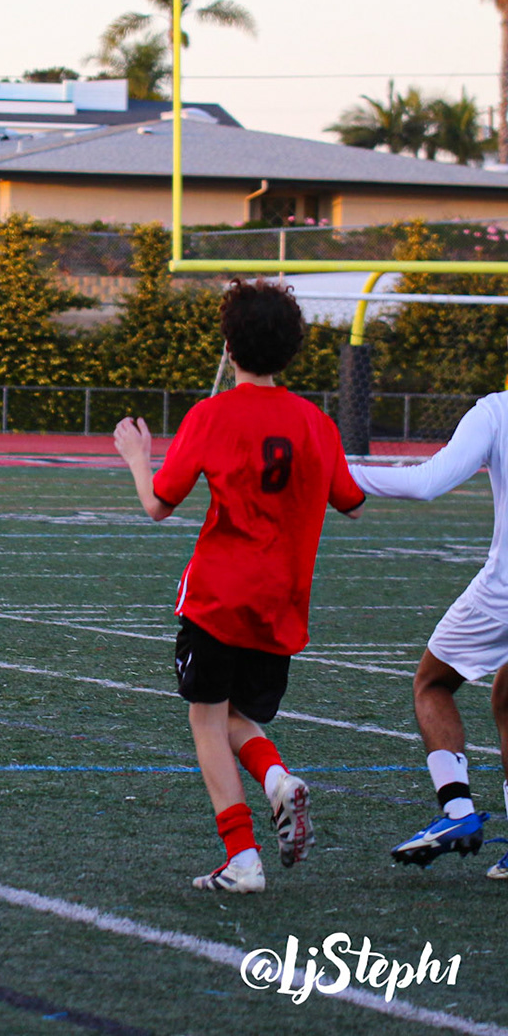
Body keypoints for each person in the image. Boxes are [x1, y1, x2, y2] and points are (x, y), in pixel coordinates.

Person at [113, 279, 364, 894]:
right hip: (282, 603)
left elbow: (159, 504)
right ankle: (274, 780)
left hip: (219, 596)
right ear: (293, 349)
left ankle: (244, 855)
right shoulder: (316, 423)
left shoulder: (212, 414)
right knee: (236, 716)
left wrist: (137, 456)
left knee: (206, 719)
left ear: (228, 346)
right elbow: (352, 502)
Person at [348, 400, 508, 878]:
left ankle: (457, 810)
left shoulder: (497, 411)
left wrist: (341, 473)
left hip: (503, 594)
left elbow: (427, 483)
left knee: (432, 684)